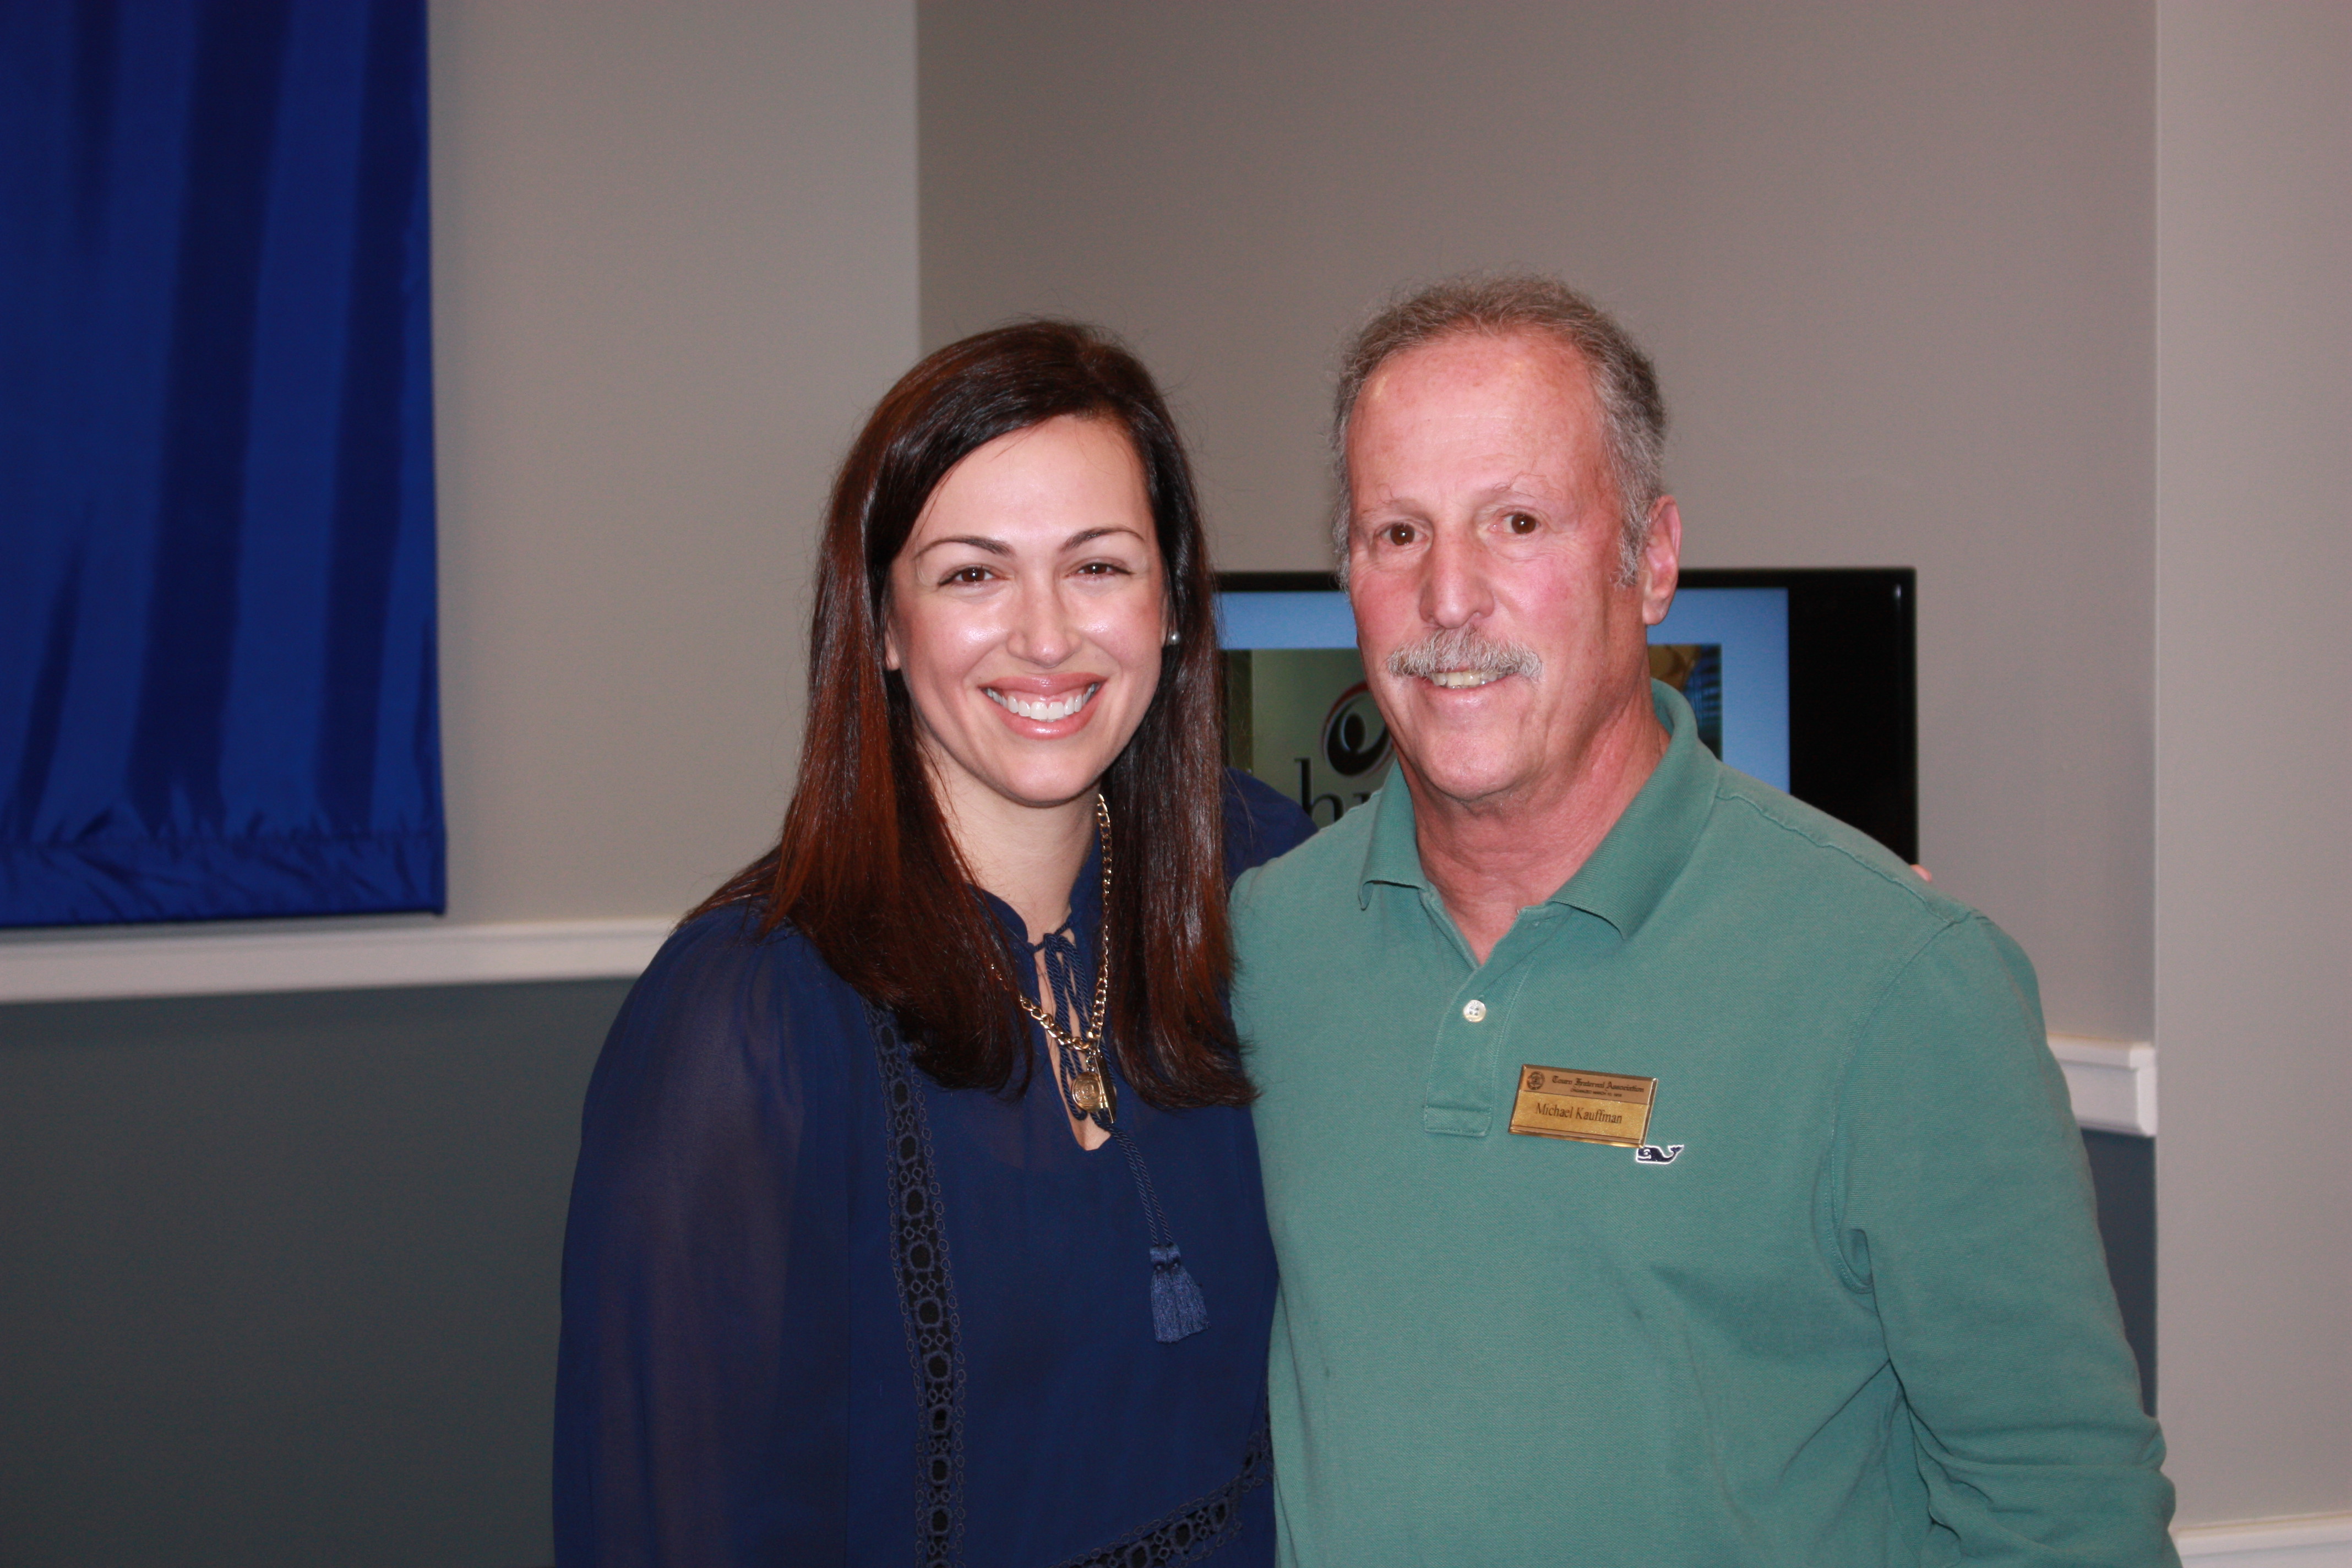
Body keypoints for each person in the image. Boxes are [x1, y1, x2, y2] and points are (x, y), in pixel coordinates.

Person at [1229, 277, 2176, 1565]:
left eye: (1518, 521)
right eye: (1398, 532)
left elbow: (2067, 1516)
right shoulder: (1266, 948)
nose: (1449, 596)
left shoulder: (1901, 984)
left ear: (1654, 559)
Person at [556, 321, 1311, 1566]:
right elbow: (670, 1519)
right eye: (972, 575)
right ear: (885, 624)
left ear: (1173, 602)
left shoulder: (1264, 876)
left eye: (1099, 565)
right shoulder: (746, 1020)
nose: (1047, 635)